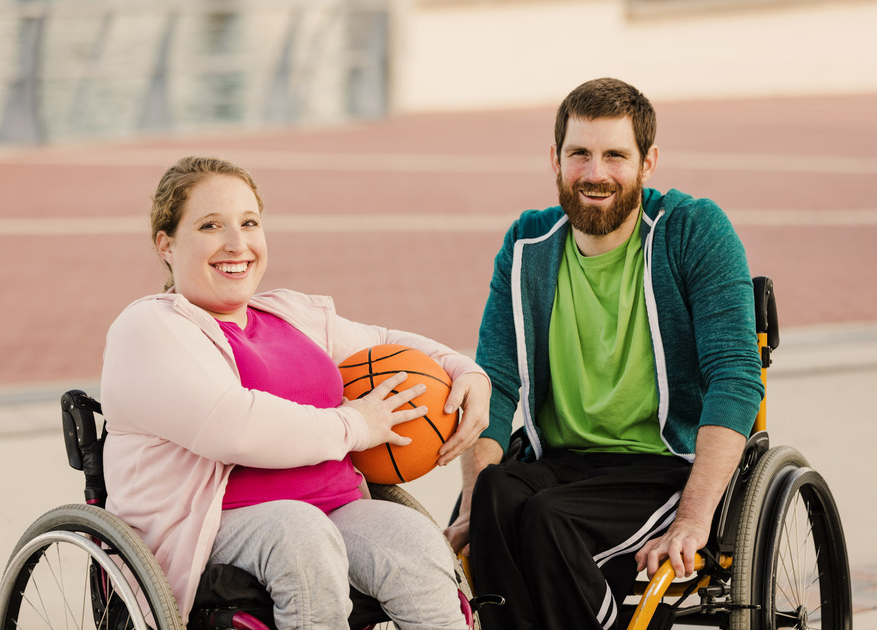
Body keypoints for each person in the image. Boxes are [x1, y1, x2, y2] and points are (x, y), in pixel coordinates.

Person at [100, 156, 491, 629]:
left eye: (249, 223)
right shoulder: (150, 327)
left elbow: (386, 341)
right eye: (210, 226)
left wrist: (466, 372)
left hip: (336, 509)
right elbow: (235, 427)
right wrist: (355, 425)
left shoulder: (291, 315)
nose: (236, 243)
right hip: (217, 524)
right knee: (301, 536)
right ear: (166, 244)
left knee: (413, 541)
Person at [443, 78, 765, 630]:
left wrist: (693, 518)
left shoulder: (692, 231)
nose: (595, 174)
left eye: (615, 155)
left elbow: (734, 377)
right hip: (559, 461)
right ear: (555, 159)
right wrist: (473, 505)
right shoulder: (527, 246)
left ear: (648, 162)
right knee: (497, 491)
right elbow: (495, 380)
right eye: (579, 154)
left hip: (662, 466)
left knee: (546, 521)